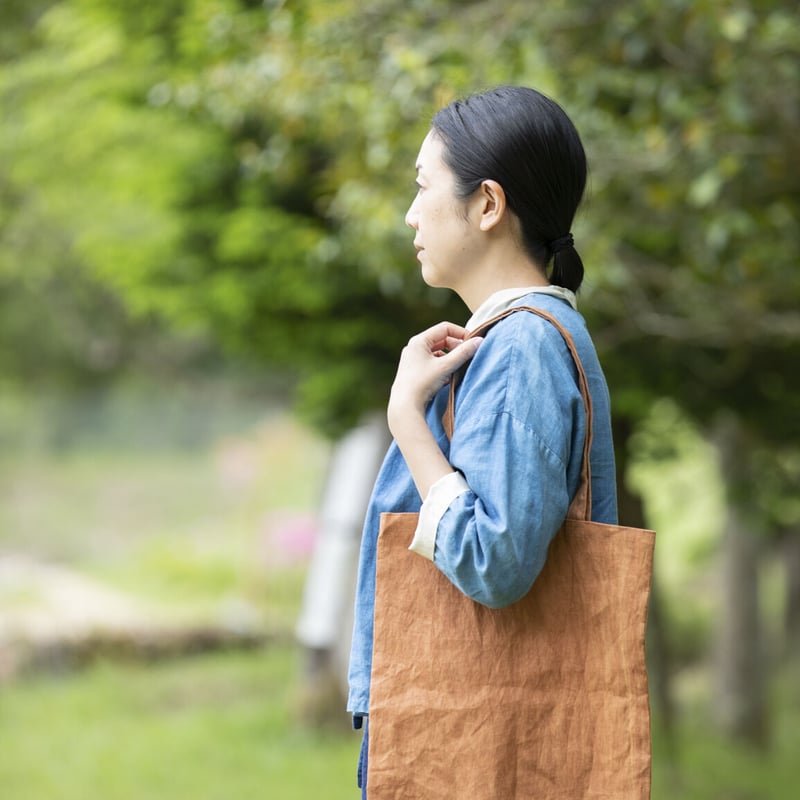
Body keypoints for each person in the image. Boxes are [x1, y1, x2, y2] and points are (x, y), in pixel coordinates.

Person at [347, 85, 618, 798]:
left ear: (488, 205)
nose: (411, 213)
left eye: (422, 186)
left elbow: (495, 559)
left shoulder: (522, 346)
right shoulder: (529, 338)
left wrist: (408, 416)